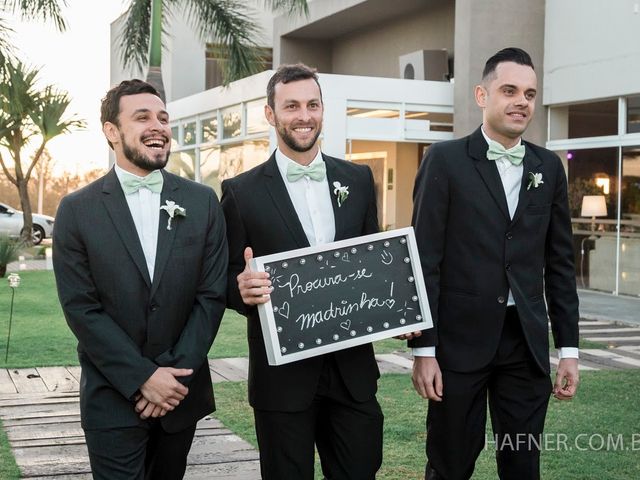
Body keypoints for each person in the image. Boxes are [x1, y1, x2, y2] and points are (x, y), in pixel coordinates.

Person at [409, 47, 580, 480]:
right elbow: (424, 261)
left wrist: (569, 350)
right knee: (450, 463)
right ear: (482, 95)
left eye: (530, 93)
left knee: (523, 464)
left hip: (524, 344)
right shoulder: (443, 161)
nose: (522, 101)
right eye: (510, 90)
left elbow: (560, 264)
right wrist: (424, 350)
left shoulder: (549, 168)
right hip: (457, 344)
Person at [53, 79, 228, 480]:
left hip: (181, 393)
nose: (158, 126)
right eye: (143, 117)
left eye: (163, 118)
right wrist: (142, 378)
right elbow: (82, 307)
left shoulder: (202, 202)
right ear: (111, 131)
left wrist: (171, 379)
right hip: (112, 396)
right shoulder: (77, 210)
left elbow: (210, 296)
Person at [221, 63, 383, 480]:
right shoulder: (240, 192)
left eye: (312, 104)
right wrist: (240, 288)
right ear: (270, 114)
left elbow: (373, 263)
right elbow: (221, 279)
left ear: (323, 109)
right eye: (291, 106)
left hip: (353, 375)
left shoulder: (359, 179)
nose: (304, 115)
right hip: (283, 380)